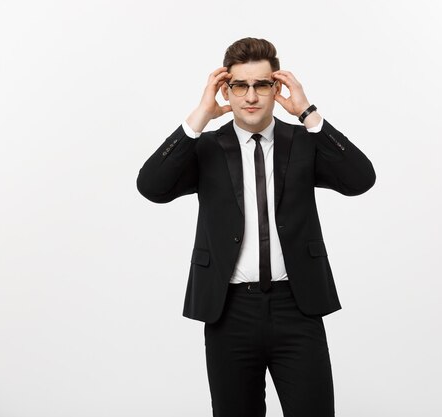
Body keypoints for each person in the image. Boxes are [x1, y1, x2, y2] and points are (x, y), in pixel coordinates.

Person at [136, 37, 376, 417]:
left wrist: (308, 113)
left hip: (296, 306)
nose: (251, 96)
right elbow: (151, 186)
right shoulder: (205, 148)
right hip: (229, 311)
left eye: (261, 85)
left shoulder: (303, 142)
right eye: (240, 85)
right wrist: (199, 116)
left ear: (276, 88)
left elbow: (361, 179)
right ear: (226, 90)